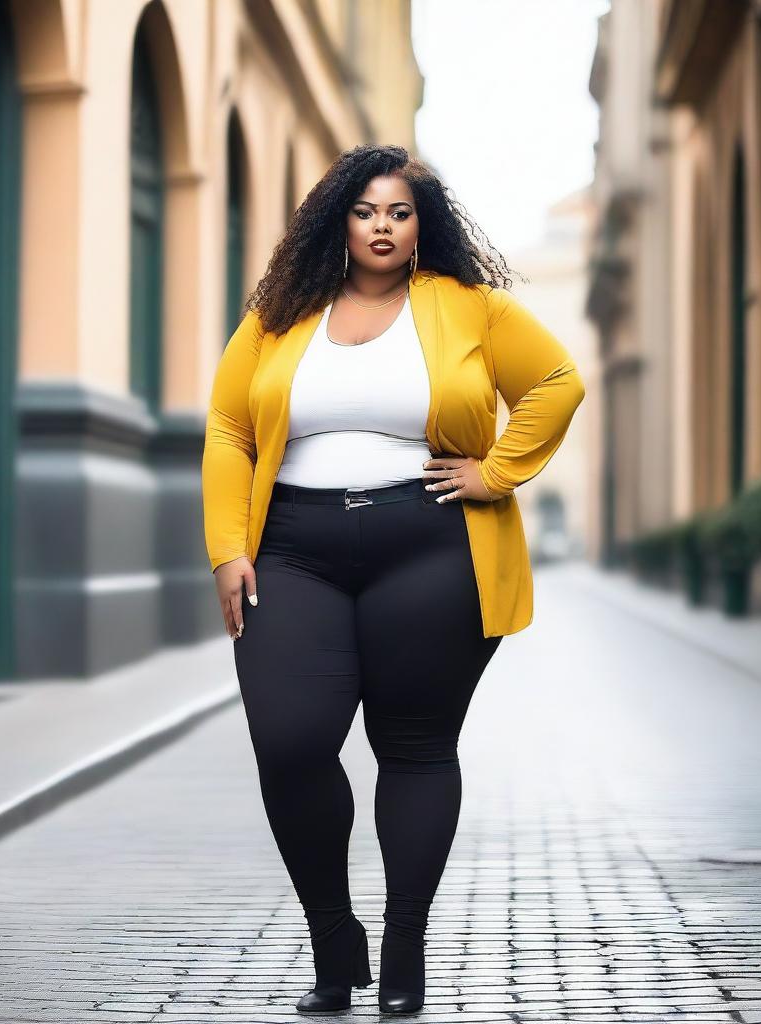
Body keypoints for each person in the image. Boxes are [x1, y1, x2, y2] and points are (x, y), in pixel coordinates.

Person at [201, 144, 586, 1015]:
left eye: (399, 212)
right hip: (293, 547)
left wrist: (497, 471)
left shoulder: (471, 308)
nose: (382, 225)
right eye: (366, 210)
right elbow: (229, 428)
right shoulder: (279, 312)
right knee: (290, 743)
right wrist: (229, 547)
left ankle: (405, 941)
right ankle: (334, 939)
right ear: (338, 218)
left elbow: (557, 383)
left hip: (431, 548)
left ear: (422, 227)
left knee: (412, 749)